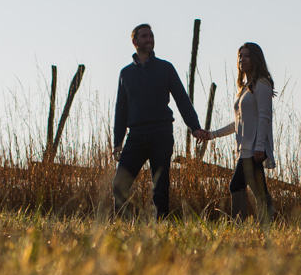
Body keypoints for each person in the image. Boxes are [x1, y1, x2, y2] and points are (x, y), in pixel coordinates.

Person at [109, 23, 202, 219]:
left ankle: (161, 226)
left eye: (151, 36)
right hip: (135, 136)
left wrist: (195, 127)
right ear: (134, 42)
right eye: (144, 36)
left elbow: (182, 99)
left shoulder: (165, 68)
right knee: (119, 184)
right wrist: (118, 142)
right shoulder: (126, 73)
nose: (149, 39)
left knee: (160, 186)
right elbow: (121, 110)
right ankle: (125, 227)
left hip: (161, 134)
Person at [200, 42, 275, 224]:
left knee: (236, 185)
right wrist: (213, 134)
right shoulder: (243, 89)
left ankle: (238, 226)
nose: (242, 59)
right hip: (245, 147)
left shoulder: (262, 85)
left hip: (254, 147)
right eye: (240, 56)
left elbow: (264, 117)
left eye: (247, 55)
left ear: (255, 58)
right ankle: (266, 224)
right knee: (258, 190)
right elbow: (239, 122)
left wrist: (259, 147)